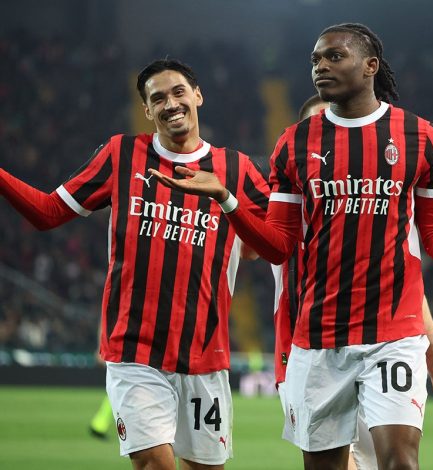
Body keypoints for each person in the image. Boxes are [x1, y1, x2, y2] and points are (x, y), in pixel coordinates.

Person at [151, 23, 433, 470]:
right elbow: (279, 247)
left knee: (400, 461)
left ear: (370, 66)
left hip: (393, 335)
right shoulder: (295, 142)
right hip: (318, 340)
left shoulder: (419, 137)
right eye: (315, 60)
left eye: (334, 56)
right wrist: (228, 199)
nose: (320, 66)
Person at [1, 58, 271, 470]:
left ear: (198, 96)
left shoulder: (237, 169)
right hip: (135, 351)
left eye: (179, 92)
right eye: (158, 98)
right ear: (147, 110)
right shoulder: (121, 155)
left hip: (204, 355)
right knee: (154, 463)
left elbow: (271, 242)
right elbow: (48, 212)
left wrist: (233, 214)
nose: (171, 104)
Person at [272, 95, 433, 470]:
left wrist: (432, 337)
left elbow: (402, 272)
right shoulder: (285, 201)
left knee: (386, 461)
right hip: (308, 350)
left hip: (378, 342)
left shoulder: (376, 212)